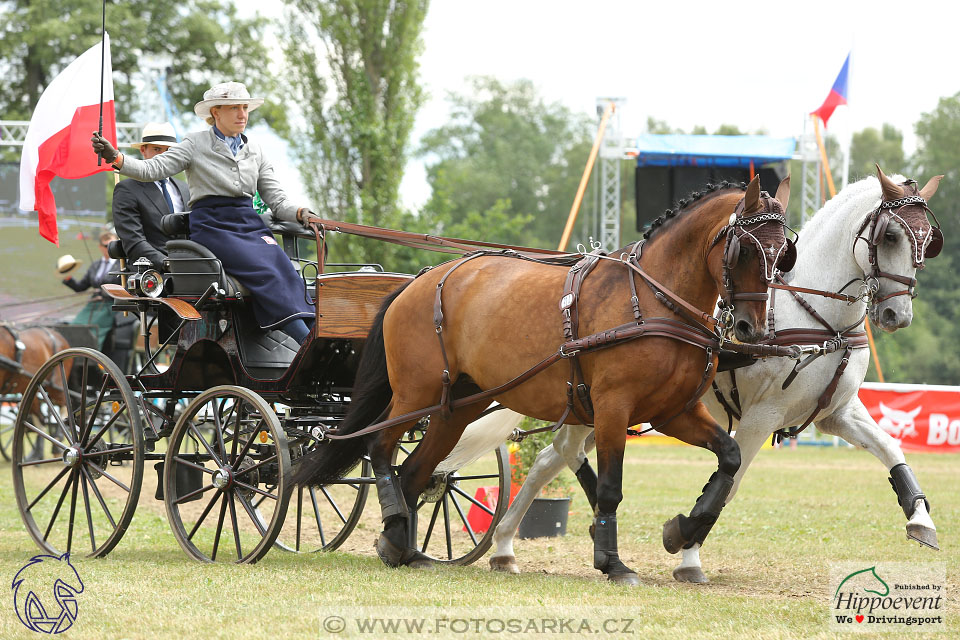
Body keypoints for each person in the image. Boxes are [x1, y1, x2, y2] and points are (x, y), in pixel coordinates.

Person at [91, 82, 315, 343]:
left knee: (285, 268)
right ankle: (304, 341)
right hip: (213, 226)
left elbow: (276, 199)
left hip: (249, 225)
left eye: (245, 107)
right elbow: (152, 170)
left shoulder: (256, 150)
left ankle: (311, 333)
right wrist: (116, 158)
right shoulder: (194, 144)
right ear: (216, 112)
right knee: (265, 270)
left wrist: (301, 213)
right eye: (234, 108)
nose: (242, 114)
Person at [112, 122, 190, 268]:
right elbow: (134, 242)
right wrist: (168, 264)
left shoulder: (185, 188)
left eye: (169, 150)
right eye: (157, 149)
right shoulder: (127, 189)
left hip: (191, 270)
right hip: (151, 276)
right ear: (143, 150)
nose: (163, 156)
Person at [61, 231, 121, 352]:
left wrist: (107, 292)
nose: (109, 249)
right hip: (93, 305)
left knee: (93, 330)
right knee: (75, 326)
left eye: (112, 245)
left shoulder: (123, 265)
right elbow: (81, 287)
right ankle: (73, 355)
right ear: (100, 247)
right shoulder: (95, 265)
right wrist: (68, 277)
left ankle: (93, 360)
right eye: (106, 246)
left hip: (111, 306)